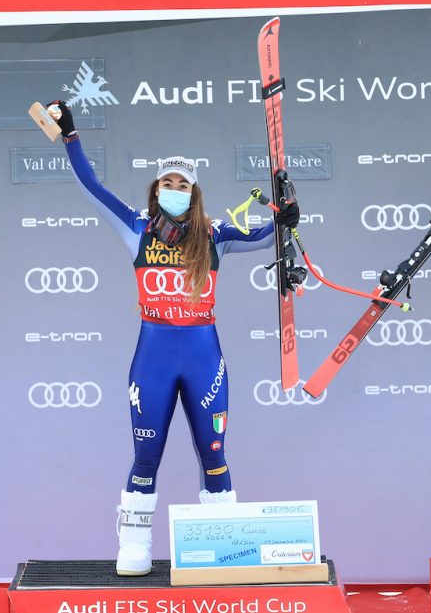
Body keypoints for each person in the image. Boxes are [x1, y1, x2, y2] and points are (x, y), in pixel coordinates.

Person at [50, 100, 300, 575]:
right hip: (155, 355)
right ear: (156, 188)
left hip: (204, 355)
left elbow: (267, 236)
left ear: (194, 191)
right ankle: (135, 546)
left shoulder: (214, 233)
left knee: (214, 450)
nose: (174, 189)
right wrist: (70, 134)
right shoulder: (137, 228)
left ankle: (223, 547)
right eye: (167, 182)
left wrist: (286, 217)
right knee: (146, 453)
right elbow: (91, 186)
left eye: (182, 184)